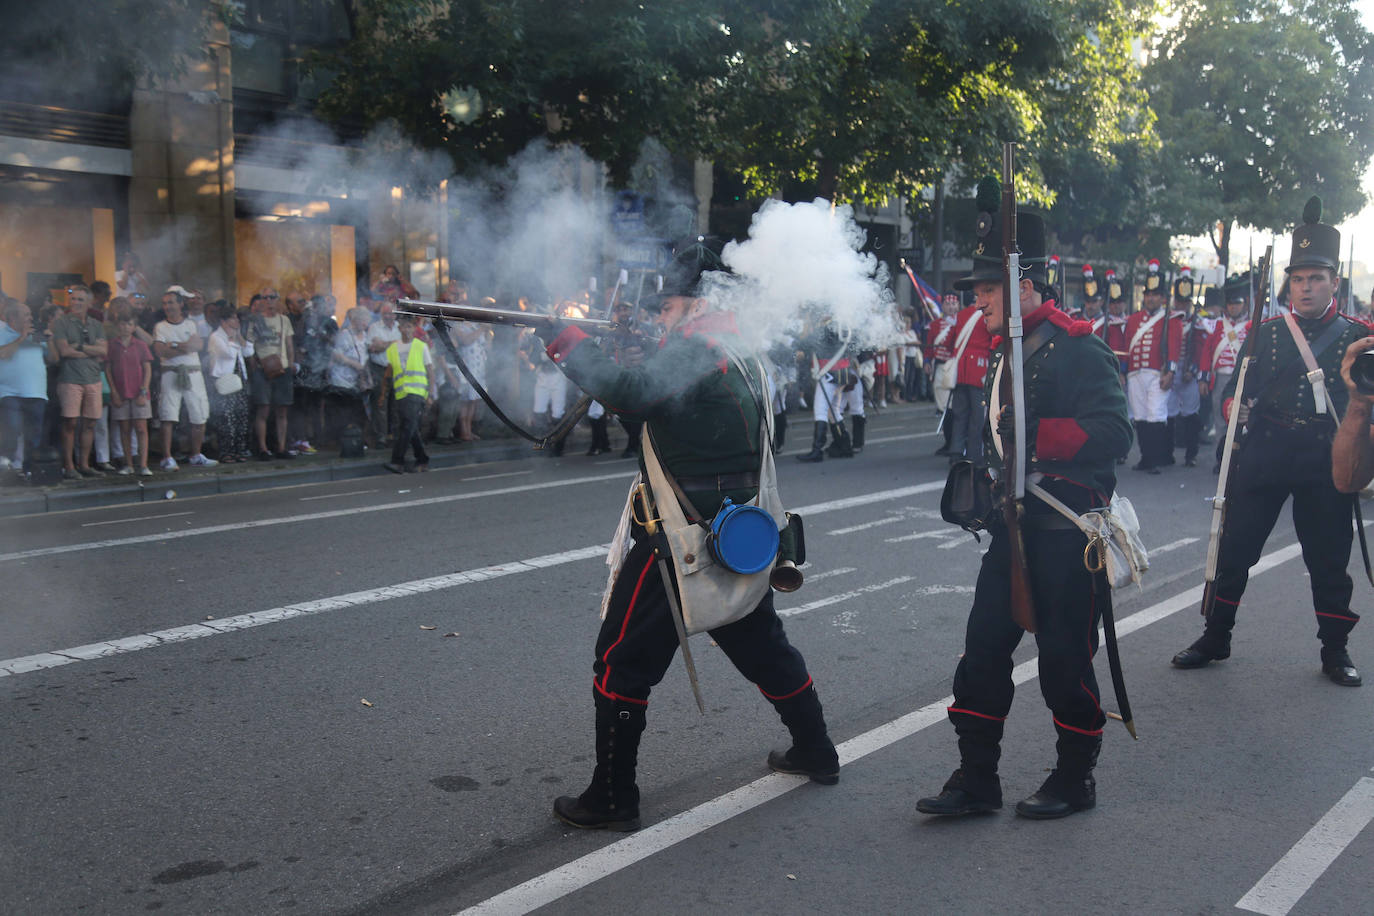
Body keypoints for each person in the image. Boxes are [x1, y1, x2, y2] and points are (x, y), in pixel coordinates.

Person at [537, 259, 839, 832]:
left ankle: (611, 797)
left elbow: (631, 393)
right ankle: (816, 748)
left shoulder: (700, 350)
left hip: (678, 539)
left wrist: (566, 340)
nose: (661, 320)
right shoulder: (735, 347)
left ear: (698, 306)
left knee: (621, 663)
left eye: (669, 309)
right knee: (766, 650)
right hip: (729, 532)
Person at [916, 186, 1132, 821]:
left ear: (1027, 284)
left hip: (1065, 528)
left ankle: (1074, 776)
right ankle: (977, 776)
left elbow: (1114, 433)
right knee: (983, 647)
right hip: (1013, 526)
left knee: (1066, 655)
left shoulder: (1077, 345)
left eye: (987, 288)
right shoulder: (1002, 348)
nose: (976, 299)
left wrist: (1035, 441)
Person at [1171, 196, 1370, 687]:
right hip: (1267, 448)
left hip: (1327, 455)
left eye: (1316, 278)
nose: (1305, 287)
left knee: (1328, 559)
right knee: (1234, 548)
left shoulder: (1360, 337)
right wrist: (1232, 415)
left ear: (1334, 284)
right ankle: (1216, 636)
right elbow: (1234, 394)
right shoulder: (1266, 332)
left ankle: (1335, 650)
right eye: (1299, 279)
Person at [1124, 260, 1183, 473]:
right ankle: (1145, 458)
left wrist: (1171, 372)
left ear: (1162, 298)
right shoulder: (1132, 320)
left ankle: (1156, 459)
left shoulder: (1171, 319)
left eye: (1155, 295)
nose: (1150, 298)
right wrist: (1123, 372)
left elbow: (1175, 347)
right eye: (1148, 294)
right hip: (1134, 374)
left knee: (1155, 414)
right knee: (1139, 416)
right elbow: (1125, 346)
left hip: (1158, 372)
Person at [153, 289, 217, 469]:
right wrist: (185, 347)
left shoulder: (190, 324)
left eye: (171, 302)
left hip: (193, 373)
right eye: (165, 303)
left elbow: (197, 345)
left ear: (180, 304)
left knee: (199, 414)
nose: (168, 306)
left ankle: (196, 454)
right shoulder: (161, 326)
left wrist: (173, 344)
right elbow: (159, 351)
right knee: (168, 415)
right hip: (170, 372)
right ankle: (167, 457)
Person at [49, 285, 108, 479]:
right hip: (70, 378)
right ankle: (69, 466)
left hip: (93, 378)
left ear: (89, 303)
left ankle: (84, 464)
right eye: (73, 299)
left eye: (81, 300)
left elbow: (104, 351)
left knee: (90, 423)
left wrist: (80, 347)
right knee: (71, 423)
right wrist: (91, 350)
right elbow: (64, 351)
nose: (76, 303)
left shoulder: (96, 324)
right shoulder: (62, 322)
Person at [0, 299, 58, 479]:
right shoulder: (3, 333)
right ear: (12, 319)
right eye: (26, 315)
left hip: (36, 393)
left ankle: (28, 470)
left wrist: (50, 341)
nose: (30, 318)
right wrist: (21, 338)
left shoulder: (37, 336)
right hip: (10, 392)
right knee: (12, 428)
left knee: (34, 435)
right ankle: (6, 466)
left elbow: (54, 359)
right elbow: (3, 354)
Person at [1200, 282, 1252, 472]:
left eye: (1237, 303)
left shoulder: (1251, 326)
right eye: (1230, 304)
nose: (1233, 307)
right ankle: (1221, 459)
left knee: (1243, 421)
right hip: (1221, 378)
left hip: (1244, 377)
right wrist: (1203, 379)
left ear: (1243, 305)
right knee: (1220, 421)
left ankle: (1239, 459)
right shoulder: (1218, 326)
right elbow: (1207, 353)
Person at [246, 286, 296, 460]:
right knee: (263, 410)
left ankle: (281, 447)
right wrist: (254, 367)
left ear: (277, 298)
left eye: (272, 297)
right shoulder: (255, 321)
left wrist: (290, 364)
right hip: (262, 369)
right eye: (265, 297)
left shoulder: (284, 320)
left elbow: (289, 345)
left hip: (282, 368)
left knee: (282, 411)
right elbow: (249, 346)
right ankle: (263, 448)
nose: (268, 301)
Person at [104, 305, 155, 476]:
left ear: (134, 327)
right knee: (124, 429)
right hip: (120, 391)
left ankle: (143, 464)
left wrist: (143, 390)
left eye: (129, 324)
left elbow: (147, 369)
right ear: (117, 326)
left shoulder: (140, 345)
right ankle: (129, 464)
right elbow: (108, 369)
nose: (125, 327)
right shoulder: (112, 345)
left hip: (139, 391)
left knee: (141, 428)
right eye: (122, 324)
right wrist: (114, 391)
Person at [944, 297, 993, 466]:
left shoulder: (962, 314)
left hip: (961, 370)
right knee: (977, 417)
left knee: (960, 415)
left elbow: (951, 340)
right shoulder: (987, 314)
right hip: (978, 370)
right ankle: (973, 455)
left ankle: (956, 453)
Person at [382, 314, 434, 473]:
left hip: (417, 392)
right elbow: (389, 372)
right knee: (409, 427)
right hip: (401, 393)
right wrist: (383, 393)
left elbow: (430, 371)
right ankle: (422, 459)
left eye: (409, 326)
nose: (406, 330)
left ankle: (397, 461)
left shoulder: (420, 346)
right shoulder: (392, 348)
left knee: (406, 427)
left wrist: (430, 394)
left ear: (414, 328)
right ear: (399, 329)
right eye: (404, 326)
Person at [207, 306, 254, 463]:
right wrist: (233, 340)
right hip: (224, 382)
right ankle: (226, 452)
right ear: (224, 321)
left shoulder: (234, 336)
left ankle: (239, 450)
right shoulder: (216, 336)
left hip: (240, 381)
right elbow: (226, 353)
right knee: (226, 418)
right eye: (233, 318)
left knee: (241, 417)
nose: (237, 321)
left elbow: (249, 352)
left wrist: (239, 337)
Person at [325, 306, 373, 445]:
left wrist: (366, 374)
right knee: (343, 411)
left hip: (356, 381)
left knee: (356, 411)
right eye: (362, 320)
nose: (365, 323)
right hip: (341, 379)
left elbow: (365, 356)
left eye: (366, 320)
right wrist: (354, 364)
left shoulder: (365, 336)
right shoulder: (345, 334)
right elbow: (337, 355)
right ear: (355, 320)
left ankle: (354, 439)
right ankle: (342, 441)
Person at [366, 301, 401, 445]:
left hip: (397, 369)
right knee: (380, 403)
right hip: (380, 369)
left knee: (396, 404)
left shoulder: (400, 328)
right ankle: (381, 436)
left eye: (390, 313)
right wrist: (393, 343)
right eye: (385, 313)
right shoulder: (374, 328)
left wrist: (384, 344)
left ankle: (394, 435)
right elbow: (374, 348)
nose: (388, 316)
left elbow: (382, 346)